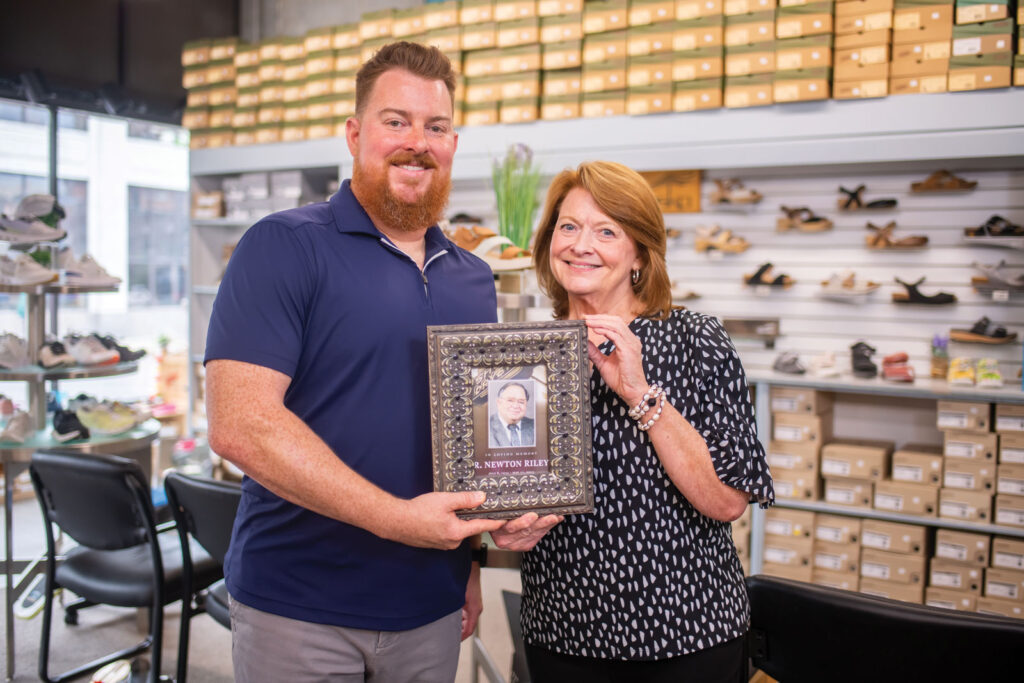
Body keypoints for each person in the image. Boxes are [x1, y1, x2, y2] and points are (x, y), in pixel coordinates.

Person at [205, 42, 557, 682]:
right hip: (301, 607)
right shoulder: (282, 246)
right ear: (354, 133)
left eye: (436, 126)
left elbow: (468, 443)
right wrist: (398, 520)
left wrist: (469, 560)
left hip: (429, 603)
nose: (416, 142)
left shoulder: (472, 277)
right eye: (395, 121)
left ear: (453, 143)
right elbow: (240, 424)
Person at [499, 160, 774, 682]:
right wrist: (504, 527)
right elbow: (503, 477)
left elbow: (726, 501)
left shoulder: (696, 341)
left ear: (640, 255)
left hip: (687, 634)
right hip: (564, 631)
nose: (582, 245)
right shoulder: (526, 354)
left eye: (607, 231)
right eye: (569, 226)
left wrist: (639, 392)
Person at [488, 381, 536, 448]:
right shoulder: (486, 427)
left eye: (521, 402)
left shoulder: (535, 426)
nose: (516, 406)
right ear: (499, 403)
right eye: (510, 400)